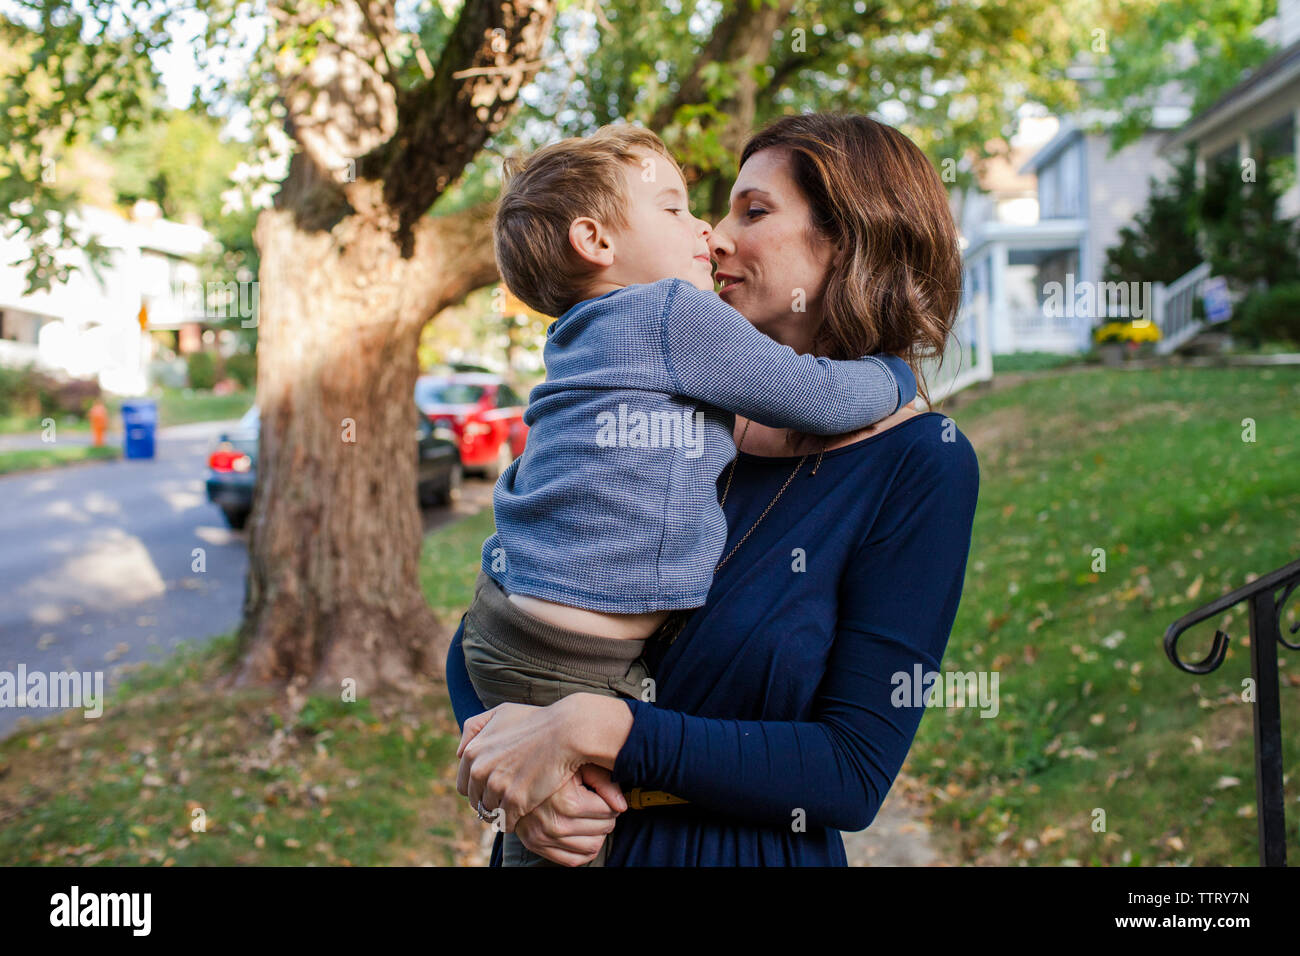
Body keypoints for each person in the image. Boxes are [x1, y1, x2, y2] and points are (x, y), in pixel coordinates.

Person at [449, 112, 980, 866]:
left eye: (753, 211)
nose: (716, 235)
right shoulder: (663, 413)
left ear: (851, 238)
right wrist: (521, 781)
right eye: (701, 209)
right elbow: (495, 616)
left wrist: (594, 732)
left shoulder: (922, 464)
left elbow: (851, 773)